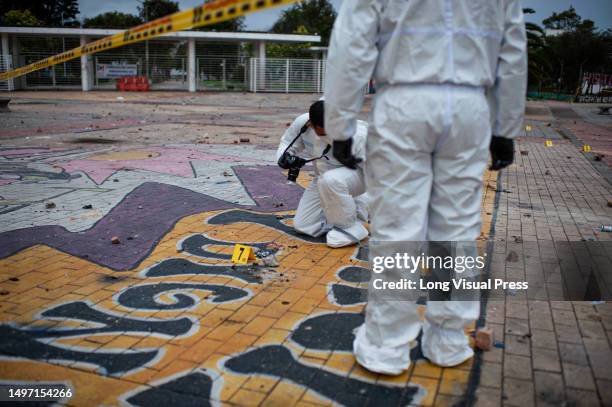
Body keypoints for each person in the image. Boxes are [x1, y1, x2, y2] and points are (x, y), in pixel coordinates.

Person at [324, 0, 527, 374]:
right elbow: (511, 50)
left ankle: (387, 346)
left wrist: (340, 125)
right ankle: (448, 339)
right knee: (458, 229)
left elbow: (351, 46)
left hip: (403, 101)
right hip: (470, 106)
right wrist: (505, 127)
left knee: (398, 229)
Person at [276, 100, 369, 248]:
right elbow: (287, 142)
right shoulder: (303, 123)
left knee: (331, 181)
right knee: (303, 226)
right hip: (322, 179)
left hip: (358, 177)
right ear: (311, 124)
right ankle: (341, 213)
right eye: (324, 132)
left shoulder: (358, 135)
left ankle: (350, 227)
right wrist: (284, 157)